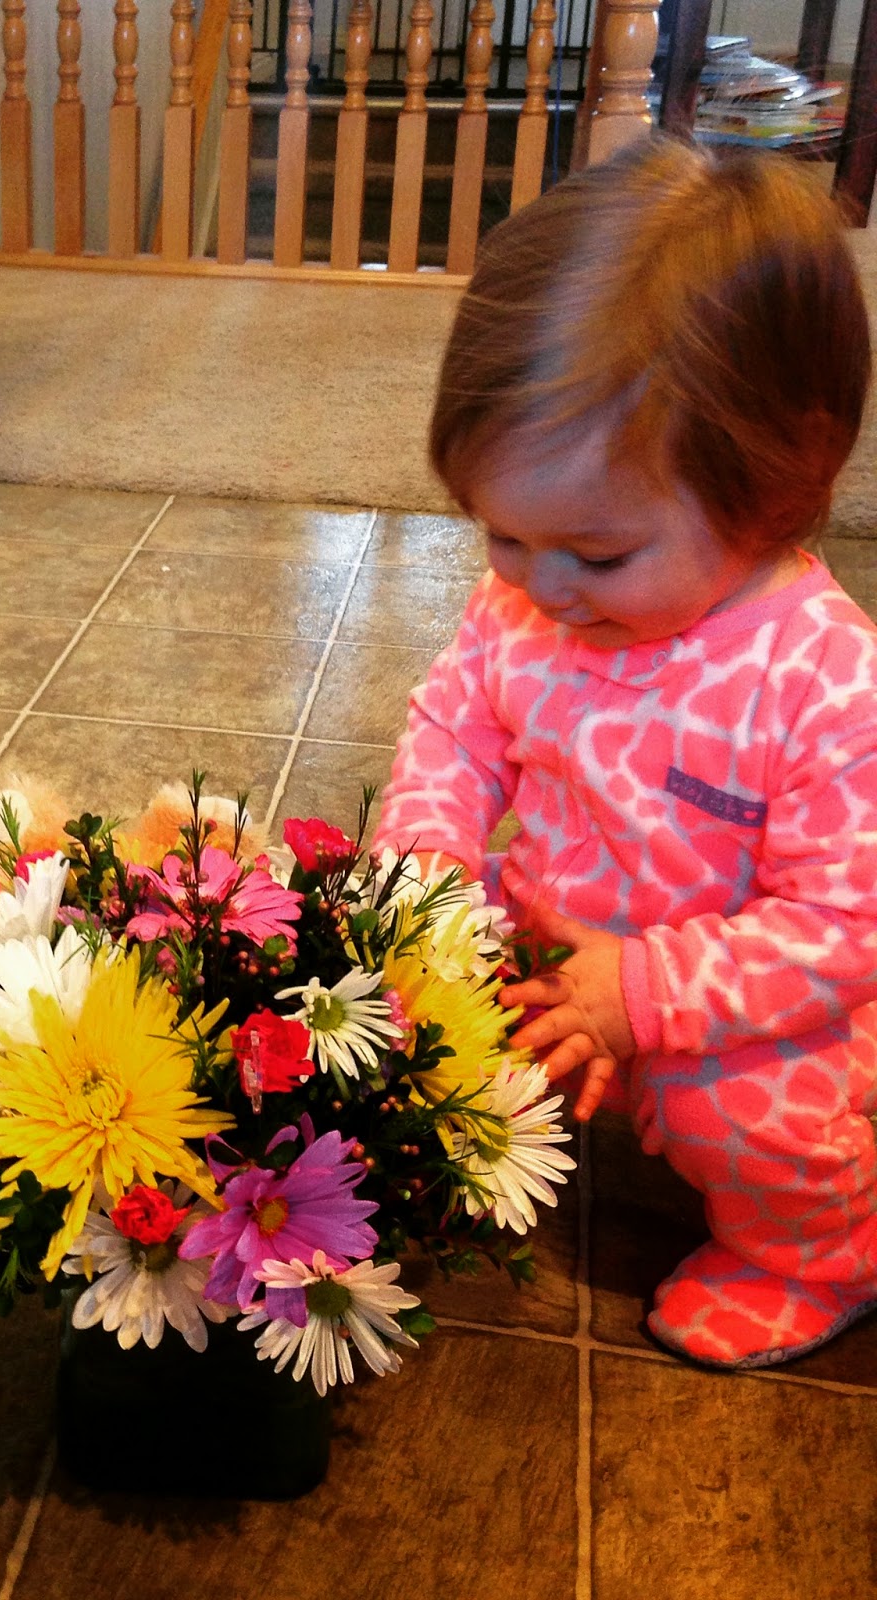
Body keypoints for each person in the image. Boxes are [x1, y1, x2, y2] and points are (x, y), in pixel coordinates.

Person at [372, 137, 877, 1372]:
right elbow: (452, 729)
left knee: (755, 1119)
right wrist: (427, 868)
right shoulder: (526, 603)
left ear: (774, 484)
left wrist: (642, 994)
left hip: (738, 1007)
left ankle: (819, 1255)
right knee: (401, 1000)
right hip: (558, 942)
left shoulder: (825, 680)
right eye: (501, 534)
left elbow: (841, 926)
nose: (540, 585)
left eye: (597, 555)